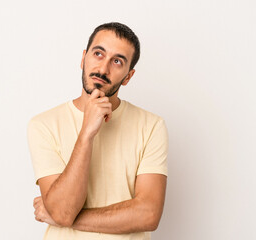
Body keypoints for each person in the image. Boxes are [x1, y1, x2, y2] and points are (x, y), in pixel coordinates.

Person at [27, 22, 168, 240]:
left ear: (128, 76)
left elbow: (148, 214)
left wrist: (65, 219)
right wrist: (86, 134)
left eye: (117, 61)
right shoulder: (43, 125)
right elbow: (63, 210)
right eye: (98, 53)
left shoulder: (151, 126)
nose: (103, 69)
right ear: (83, 58)